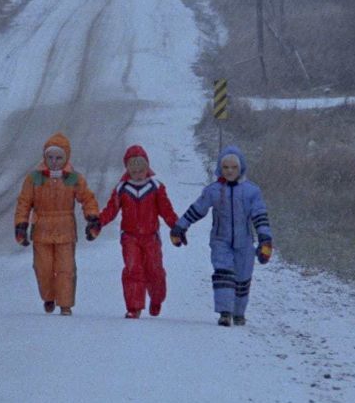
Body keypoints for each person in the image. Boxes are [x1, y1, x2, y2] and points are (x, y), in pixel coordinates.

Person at [170, 145, 273, 327]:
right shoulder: (214, 190)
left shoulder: (251, 191)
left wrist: (265, 239)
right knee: (223, 273)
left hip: (244, 242)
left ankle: (239, 313)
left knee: (242, 278)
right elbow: (198, 209)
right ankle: (225, 313)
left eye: (234, 167)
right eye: (226, 167)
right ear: (220, 168)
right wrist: (180, 227)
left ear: (241, 167)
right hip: (220, 240)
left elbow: (259, 215)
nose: (230, 171)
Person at [14, 132, 100, 316]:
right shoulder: (34, 178)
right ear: (44, 156)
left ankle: (65, 304)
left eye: (58, 157)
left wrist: (92, 217)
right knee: (42, 268)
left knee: (66, 269)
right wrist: (21, 225)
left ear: (66, 157)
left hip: (65, 230)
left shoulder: (73, 178)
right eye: (50, 157)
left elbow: (87, 198)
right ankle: (48, 297)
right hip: (41, 230)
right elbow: (24, 202)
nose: (54, 161)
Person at [95, 145, 178, 319]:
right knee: (133, 269)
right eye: (134, 171)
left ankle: (156, 298)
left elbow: (166, 210)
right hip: (130, 236)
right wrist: (98, 222)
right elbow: (111, 210)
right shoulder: (122, 189)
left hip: (151, 236)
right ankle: (134, 306)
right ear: (128, 170)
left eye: (141, 170)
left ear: (147, 168)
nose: (138, 174)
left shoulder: (156, 187)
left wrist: (177, 226)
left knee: (154, 270)